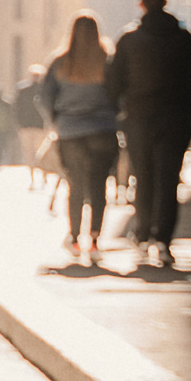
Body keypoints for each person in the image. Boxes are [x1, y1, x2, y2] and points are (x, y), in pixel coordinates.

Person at [108, 0, 191, 267]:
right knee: (168, 180)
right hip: (175, 119)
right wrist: (189, 117)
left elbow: (114, 83)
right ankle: (162, 238)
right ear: (164, 2)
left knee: (143, 175)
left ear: (142, 4)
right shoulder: (185, 39)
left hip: (139, 118)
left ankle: (142, 231)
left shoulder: (128, 40)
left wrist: (120, 113)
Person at [39, 16, 119, 260]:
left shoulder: (60, 62)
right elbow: (119, 94)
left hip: (70, 130)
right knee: (98, 186)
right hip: (103, 129)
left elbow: (44, 97)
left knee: (75, 185)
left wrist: (57, 121)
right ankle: (94, 240)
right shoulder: (107, 61)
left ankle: (74, 238)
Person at [12, 74, 47, 187]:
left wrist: (18, 124)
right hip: (40, 126)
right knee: (40, 152)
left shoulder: (22, 90)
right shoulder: (44, 90)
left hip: (26, 126)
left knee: (29, 152)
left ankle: (32, 176)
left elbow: (16, 109)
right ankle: (42, 175)